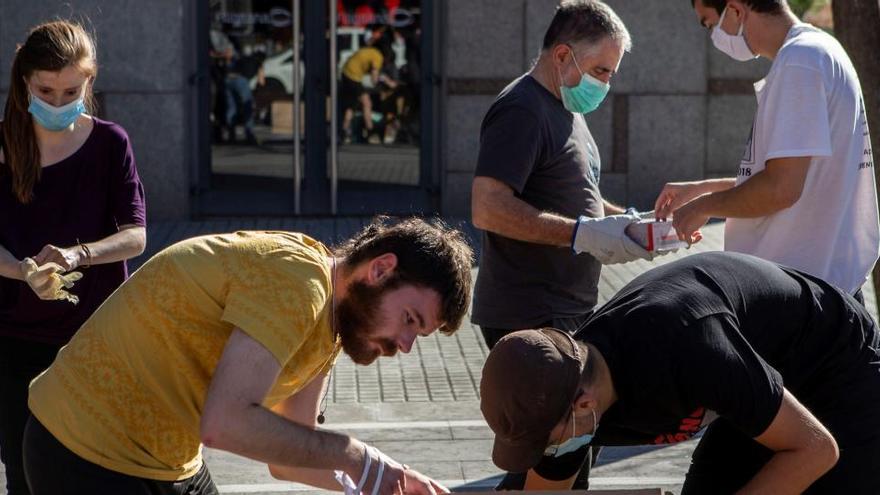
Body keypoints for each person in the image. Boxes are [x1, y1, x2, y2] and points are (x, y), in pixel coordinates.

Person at [23, 217, 473, 495]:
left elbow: (287, 458)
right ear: (380, 270)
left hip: (162, 461)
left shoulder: (334, 322)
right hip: (79, 448)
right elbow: (226, 424)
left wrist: (388, 481)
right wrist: (356, 456)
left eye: (421, 334)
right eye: (411, 320)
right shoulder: (299, 284)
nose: (406, 345)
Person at [470, 1, 675, 488]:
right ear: (563, 55)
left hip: (562, 311)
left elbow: (574, 196)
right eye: (601, 70)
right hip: (530, 314)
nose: (606, 83)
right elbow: (488, 206)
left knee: (558, 457)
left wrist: (627, 223)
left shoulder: (563, 107)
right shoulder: (521, 109)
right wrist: (582, 232)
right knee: (558, 457)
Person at [481, 251, 880, 494]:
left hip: (839, 374)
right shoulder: (564, 392)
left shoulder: (686, 345)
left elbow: (815, 449)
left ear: (583, 405)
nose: (546, 455)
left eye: (545, 445)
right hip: (756, 385)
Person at [0, 20, 147, 495]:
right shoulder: (2, 142)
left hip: (96, 340)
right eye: (46, 90)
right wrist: (24, 272)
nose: (58, 103)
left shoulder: (110, 143)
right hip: (13, 342)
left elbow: (135, 237)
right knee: (23, 473)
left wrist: (76, 255)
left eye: (71, 90)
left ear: (90, 81)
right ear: (24, 81)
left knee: (94, 472)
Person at [654, 0, 879, 299]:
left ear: (735, 10)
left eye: (710, 24)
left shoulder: (800, 60)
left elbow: (780, 189)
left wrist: (703, 206)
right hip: (815, 291)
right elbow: (800, 179)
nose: (713, 36)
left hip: (801, 298)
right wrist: (703, 190)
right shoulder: (819, 50)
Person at [340, 25, 397, 144]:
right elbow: (374, 78)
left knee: (352, 105)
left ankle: (344, 130)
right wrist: (387, 82)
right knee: (367, 103)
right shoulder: (378, 57)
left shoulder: (371, 50)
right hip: (353, 77)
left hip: (346, 74)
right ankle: (371, 131)